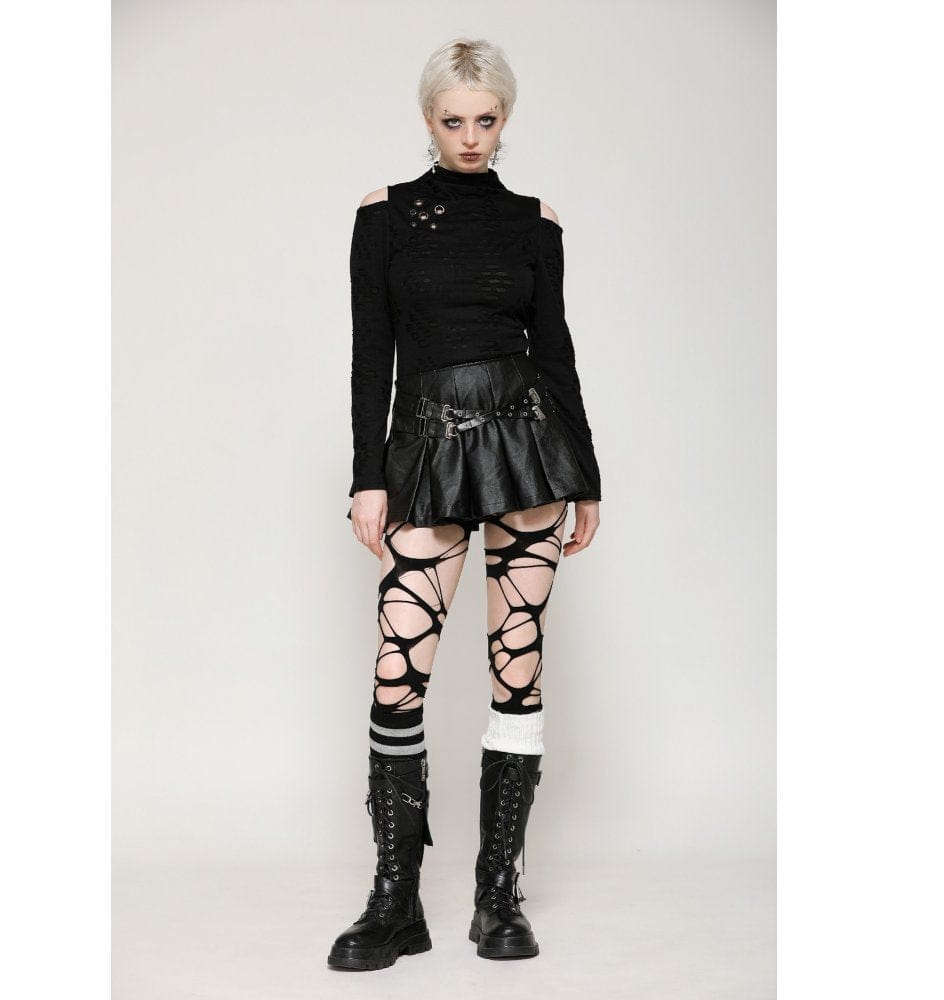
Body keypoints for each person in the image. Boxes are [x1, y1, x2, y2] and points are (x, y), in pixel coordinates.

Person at [327, 37, 601, 971]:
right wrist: (368, 476)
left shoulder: (535, 222)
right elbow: (371, 354)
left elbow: (555, 350)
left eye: (487, 120)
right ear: (428, 119)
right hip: (425, 446)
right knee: (397, 671)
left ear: (505, 119)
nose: (471, 137)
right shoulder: (383, 217)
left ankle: (497, 896)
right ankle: (395, 900)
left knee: (516, 666)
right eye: (454, 120)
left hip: (529, 449)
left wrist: (586, 476)